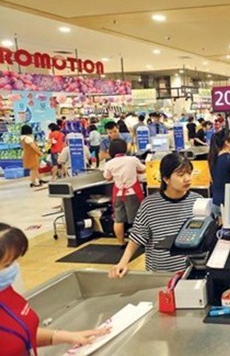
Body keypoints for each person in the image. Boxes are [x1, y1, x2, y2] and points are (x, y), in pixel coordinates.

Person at [0, 223, 111, 353]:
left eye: (15, 261)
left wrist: (66, 336)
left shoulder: (6, 291)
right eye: (7, 265)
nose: (14, 268)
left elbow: (18, 334)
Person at [110, 153, 201, 277]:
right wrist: (123, 262)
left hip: (190, 272)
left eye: (189, 173)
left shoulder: (198, 201)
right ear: (166, 179)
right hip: (159, 273)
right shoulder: (150, 205)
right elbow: (138, 235)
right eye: (180, 174)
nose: (187, 178)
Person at [103, 139, 146, 246]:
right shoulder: (132, 159)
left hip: (118, 194)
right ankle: (138, 242)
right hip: (132, 193)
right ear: (125, 148)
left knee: (118, 219)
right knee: (137, 219)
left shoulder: (109, 163)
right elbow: (143, 169)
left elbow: (107, 177)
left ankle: (121, 242)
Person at [208, 129, 230, 220]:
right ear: (227, 142)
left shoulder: (213, 159)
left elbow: (212, 180)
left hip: (216, 203)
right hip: (229, 203)